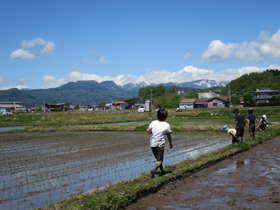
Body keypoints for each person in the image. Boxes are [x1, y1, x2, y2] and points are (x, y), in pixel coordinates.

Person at [147, 109, 173, 178]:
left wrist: (153, 133)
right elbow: (168, 135)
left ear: (157, 115)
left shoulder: (153, 122)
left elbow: (148, 130)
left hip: (152, 143)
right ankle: (154, 170)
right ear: (166, 116)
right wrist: (170, 143)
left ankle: (162, 171)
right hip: (160, 144)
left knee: (158, 159)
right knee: (160, 160)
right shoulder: (166, 125)